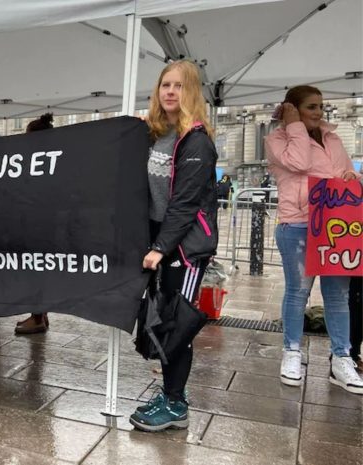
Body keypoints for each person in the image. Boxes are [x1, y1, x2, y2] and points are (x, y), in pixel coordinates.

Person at [129, 60, 219, 432]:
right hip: (160, 242)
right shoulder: (157, 135)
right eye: (165, 84)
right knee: (164, 319)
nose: (169, 91)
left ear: (191, 92)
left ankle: (175, 403)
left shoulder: (196, 141)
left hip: (185, 248)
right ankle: (169, 393)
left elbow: (184, 203)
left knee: (176, 323)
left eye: (178, 85)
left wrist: (160, 248)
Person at [265, 85, 362, 393]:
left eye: (321, 106)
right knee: (298, 292)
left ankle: (342, 358)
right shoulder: (277, 139)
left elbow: (345, 172)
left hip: (335, 224)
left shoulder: (332, 138)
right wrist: (294, 126)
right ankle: (292, 352)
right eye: (311, 107)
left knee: (338, 296)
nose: (319, 112)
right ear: (293, 109)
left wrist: (352, 178)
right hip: (297, 224)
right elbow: (299, 163)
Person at [15, 113, 55, 335]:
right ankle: (40, 314)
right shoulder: (50, 159)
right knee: (39, 270)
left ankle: (37, 317)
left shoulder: (39, 161)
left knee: (35, 271)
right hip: (45, 226)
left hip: (38, 227)